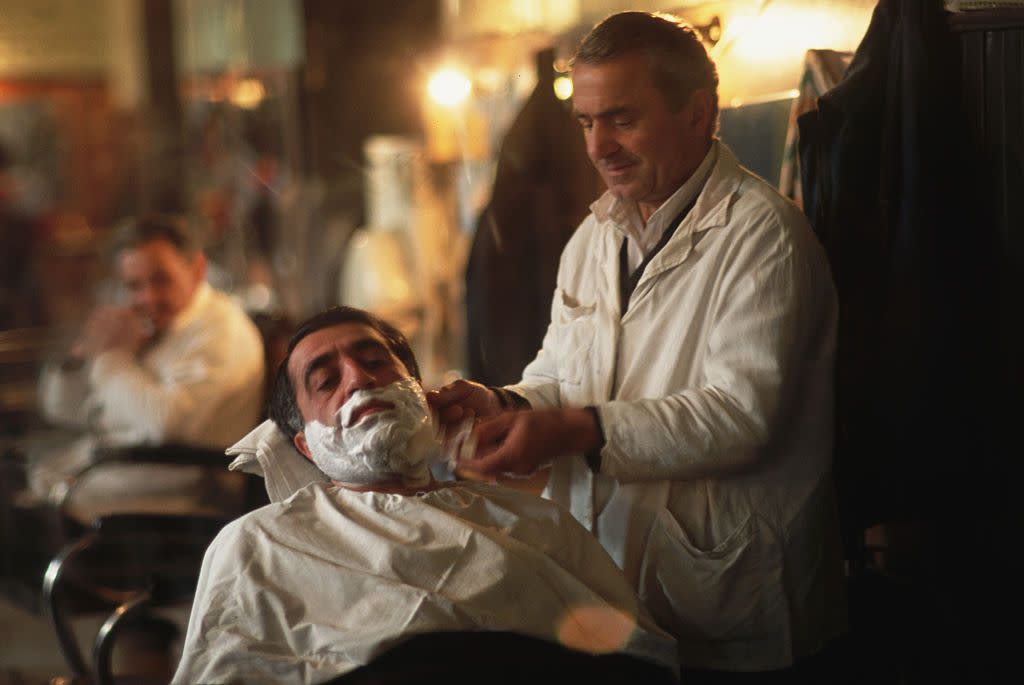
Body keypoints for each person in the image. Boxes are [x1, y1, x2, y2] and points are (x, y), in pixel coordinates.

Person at [429, 11, 847, 680]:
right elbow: (563, 372)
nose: (599, 146)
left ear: (698, 113)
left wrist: (573, 429)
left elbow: (741, 416)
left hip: (738, 603)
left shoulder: (764, 238)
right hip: (618, 592)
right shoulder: (594, 238)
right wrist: (502, 400)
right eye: (587, 122)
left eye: (622, 118)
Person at [172, 306, 677, 685]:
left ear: (423, 395)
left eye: (376, 361)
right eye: (326, 380)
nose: (359, 378)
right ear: (305, 444)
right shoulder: (257, 545)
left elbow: (640, 662)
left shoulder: (535, 523)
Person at [29, 213, 264, 522]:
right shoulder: (155, 326)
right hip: (134, 464)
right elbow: (62, 410)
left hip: (192, 482)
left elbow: (164, 423)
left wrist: (112, 357)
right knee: (27, 470)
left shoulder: (220, 330)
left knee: (46, 491)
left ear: (197, 269)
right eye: (135, 285)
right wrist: (82, 355)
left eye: (161, 280)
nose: (148, 298)